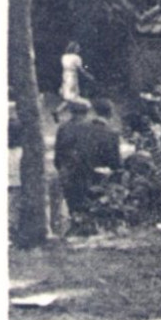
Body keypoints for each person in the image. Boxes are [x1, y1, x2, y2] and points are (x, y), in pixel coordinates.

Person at [54, 96, 122, 228]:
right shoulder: (92, 128)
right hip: (90, 172)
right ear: (87, 111)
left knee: (74, 206)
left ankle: (77, 225)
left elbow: (58, 155)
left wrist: (62, 168)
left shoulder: (63, 128)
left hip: (69, 172)